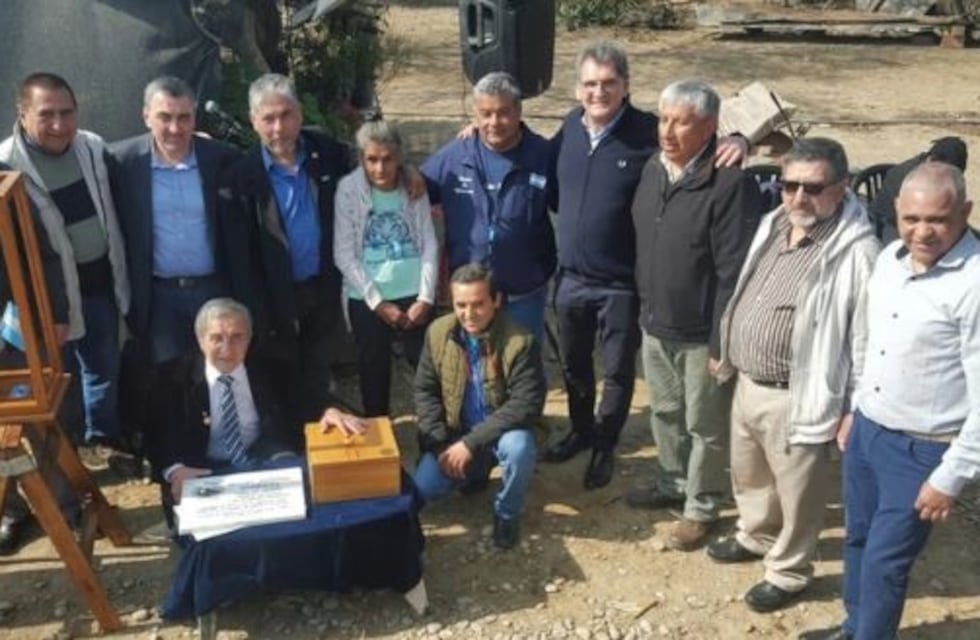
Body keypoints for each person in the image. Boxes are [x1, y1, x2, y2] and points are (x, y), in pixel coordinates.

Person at [544, 42, 748, 491]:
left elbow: (698, 137)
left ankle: (604, 442)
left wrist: (738, 139)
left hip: (621, 282)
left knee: (617, 372)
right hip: (571, 279)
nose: (599, 92)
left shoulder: (647, 133)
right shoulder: (569, 129)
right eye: (590, 83)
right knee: (575, 365)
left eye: (608, 83)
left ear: (626, 85)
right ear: (578, 89)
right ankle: (580, 429)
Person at [802, 162, 980, 640]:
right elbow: (872, 340)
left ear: (964, 212)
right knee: (857, 542)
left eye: (938, 220)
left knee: (885, 562)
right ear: (897, 212)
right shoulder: (889, 260)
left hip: (923, 449)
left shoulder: (974, 284)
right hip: (868, 433)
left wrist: (951, 475)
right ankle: (854, 627)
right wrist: (856, 407)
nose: (922, 232)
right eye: (912, 218)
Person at [707, 138, 880, 613]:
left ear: (842, 188)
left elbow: (866, 340)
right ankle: (757, 534)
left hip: (797, 394)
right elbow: (746, 291)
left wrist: (853, 407)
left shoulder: (857, 253)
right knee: (750, 474)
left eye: (813, 187)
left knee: (799, 493)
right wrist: (727, 347)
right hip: (748, 383)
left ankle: (789, 570)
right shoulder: (773, 223)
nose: (798, 198)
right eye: (789, 186)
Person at [626, 79, 760, 550]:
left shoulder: (729, 183)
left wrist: (723, 342)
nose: (668, 130)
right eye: (664, 119)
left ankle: (702, 505)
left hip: (702, 332)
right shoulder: (653, 170)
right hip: (655, 322)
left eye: (681, 121)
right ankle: (672, 484)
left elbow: (732, 272)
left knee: (704, 425)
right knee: (664, 412)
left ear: (709, 127)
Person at [0, 72, 130, 450]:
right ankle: (65, 450)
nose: (59, 125)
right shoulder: (6, 165)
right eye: (46, 114)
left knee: (104, 368)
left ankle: (101, 441)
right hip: (46, 302)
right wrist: (43, 309)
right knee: (58, 378)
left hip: (100, 285)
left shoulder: (91, 146)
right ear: (22, 114)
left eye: (67, 112)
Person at [150, 298, 364, 520]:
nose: (227, 349)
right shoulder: (170, 379)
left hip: (265, 457)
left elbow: (308, 398)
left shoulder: (273, 365)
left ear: (250, 339)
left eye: (237, 337)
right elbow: (157, 437)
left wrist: (328, 410)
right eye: (216, 338)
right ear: (200, 340)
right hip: (201, 469)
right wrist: (175, 470)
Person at [221, 73, 354, 424]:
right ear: (253, 121)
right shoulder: (241, 178)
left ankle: (320, 423)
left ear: (298, 113)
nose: (278, 127)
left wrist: (409, 173)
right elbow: (239, 256)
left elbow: (374, 162)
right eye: (268, 119)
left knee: (318, 362)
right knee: (281, 367)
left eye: (285, 115)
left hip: (323, 285)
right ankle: (292, 437)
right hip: (274, 295)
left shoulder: (328, 154)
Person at [109, 76, 242, 367]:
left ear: (195, 117)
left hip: (214, 291)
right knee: (167, 385)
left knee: (219, 376)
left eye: (184, 118)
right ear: (146, 117)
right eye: (164, 117)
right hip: (158, 297)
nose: (174, 128)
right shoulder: (121, 162)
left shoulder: (223, 159)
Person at [413, 264, 545, 550]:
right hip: (455, 432)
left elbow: (526, 403)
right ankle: (475, 471)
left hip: (500, 432)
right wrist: (439, 446)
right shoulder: (437, 333)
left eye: (478, 304)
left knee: (519, 449)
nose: (469, 314)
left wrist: (470, 445)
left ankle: (506, 513)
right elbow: (425, 392)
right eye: (461, 305)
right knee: (423, 487)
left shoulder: (520, 341)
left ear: (495, 301)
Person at [421, 71, 555, 341]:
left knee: (524, 373)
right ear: (475, 113)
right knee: (475, 377)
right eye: (485, 113)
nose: (494, 122)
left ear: (519, 111)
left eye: (503, 112)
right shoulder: (455, 156)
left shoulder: (544, 155)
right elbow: (416, 190)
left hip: (524, 294)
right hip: (471, 299)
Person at [334, 120, 438, 417]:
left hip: (415, 296)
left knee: (428, 373)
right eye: (372, 159)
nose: (380, 168)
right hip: (368, 300)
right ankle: (381, 447)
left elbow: (429, 243)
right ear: (361, 158)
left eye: (388, 159)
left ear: (399, 158)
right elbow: (343, 253)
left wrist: (426, 298)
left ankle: (434, 440)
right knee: (374, 375)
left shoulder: (412, 187)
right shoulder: (348, 190)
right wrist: (378, 303)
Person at [0, 160, 71, 555]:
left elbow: (41, 253)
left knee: (40, 422)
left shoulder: (4, 178)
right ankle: (11, 512)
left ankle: (66, 504)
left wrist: (56, 312)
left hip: (12, 326)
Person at [867, 136, 967, 242]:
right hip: (886, 221)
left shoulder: (939, 172)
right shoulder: (910, 180)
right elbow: (917, 217)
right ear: (931, 160)